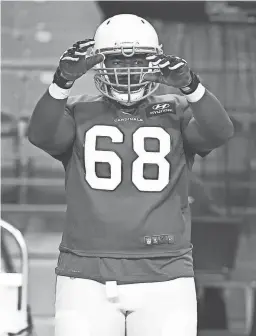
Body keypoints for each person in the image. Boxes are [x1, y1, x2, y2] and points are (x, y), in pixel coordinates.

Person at [28, 14, 234, 336]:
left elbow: (220, 131)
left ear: (155, 60)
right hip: (86, 274)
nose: (127, 70)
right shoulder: (78, 109)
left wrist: (191, 86)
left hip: (165, 272)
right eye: (117, 62)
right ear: (100, 63)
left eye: (138, 60)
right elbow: (40, 135)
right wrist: (60, 84)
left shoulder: (176, 108)